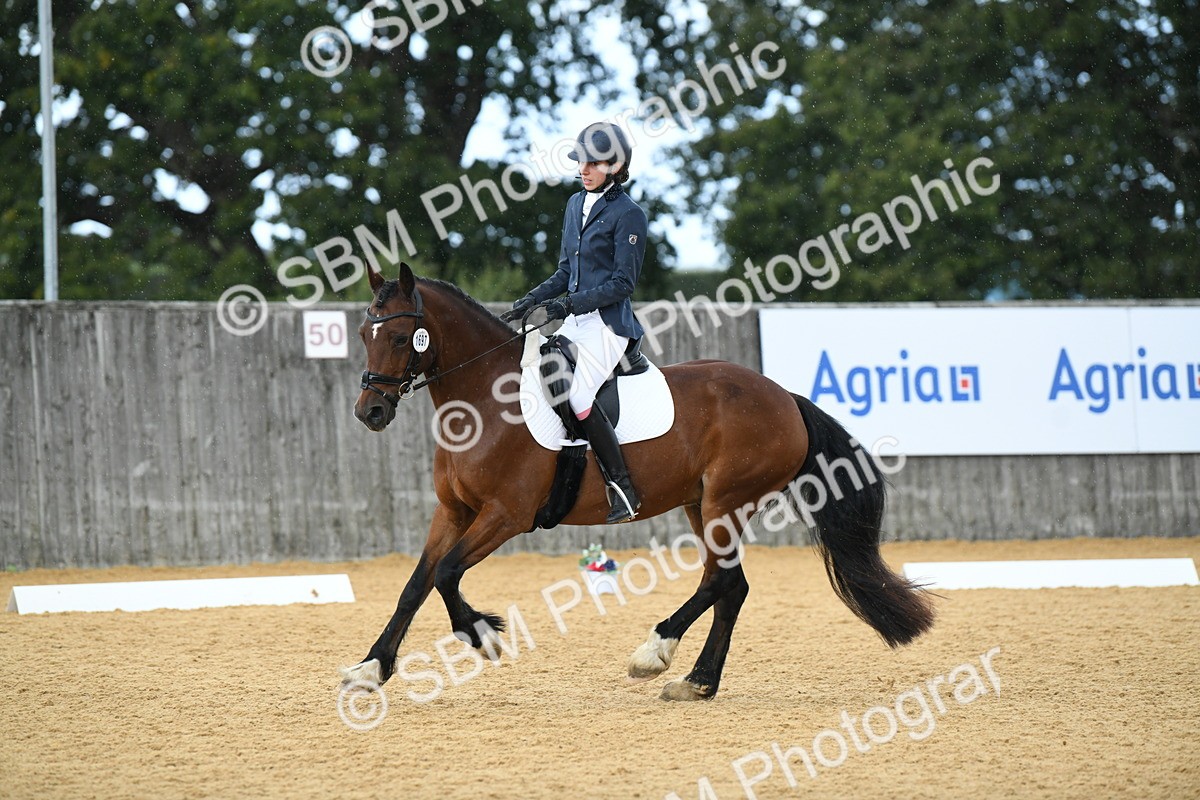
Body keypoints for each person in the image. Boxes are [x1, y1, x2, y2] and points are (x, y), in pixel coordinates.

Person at [502, 122, 647, 524]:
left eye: (594, 163)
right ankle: (570, 467)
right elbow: (566, 271)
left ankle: (623, 487)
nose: (583, 169)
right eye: (581, 161)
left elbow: (623, 283)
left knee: (579, 396)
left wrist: (566, 306)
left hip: (609, 326)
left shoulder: (629, 215)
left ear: (616, 166)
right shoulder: (573, 205)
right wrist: (532, 299)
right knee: (544, 375)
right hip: (577, 322)